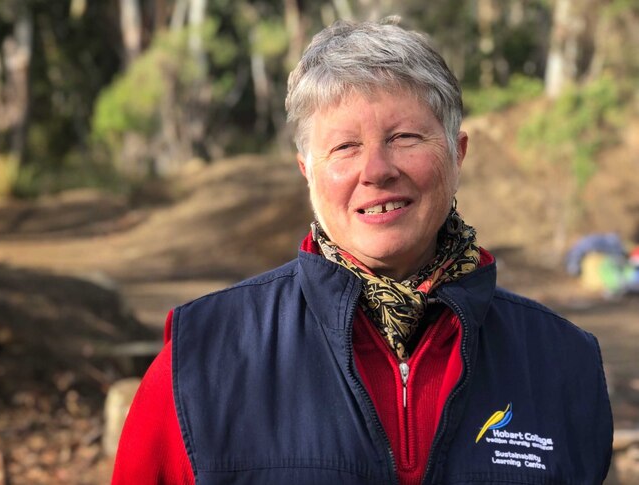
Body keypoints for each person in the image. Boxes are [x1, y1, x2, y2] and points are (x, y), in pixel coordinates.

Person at [112, 18, 612, 485]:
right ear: (308, 171)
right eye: (345, 147)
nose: (376, 170)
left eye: (404, 137)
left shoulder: (564, 362)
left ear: (457, 154)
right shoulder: (202, 359)